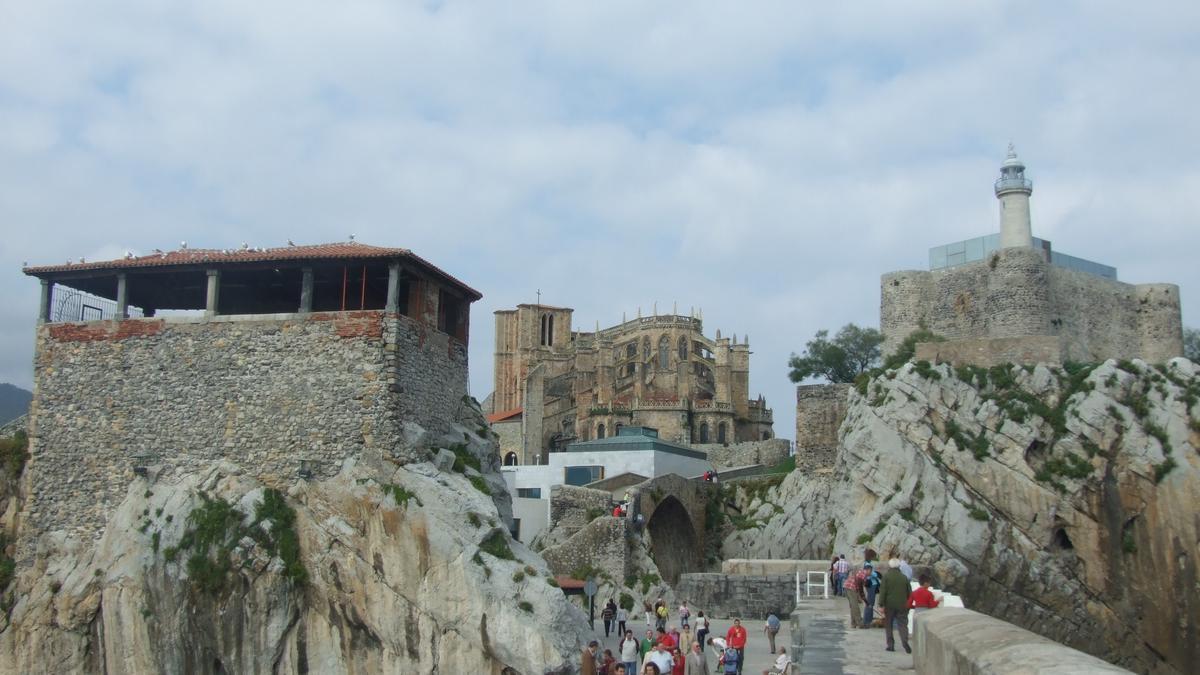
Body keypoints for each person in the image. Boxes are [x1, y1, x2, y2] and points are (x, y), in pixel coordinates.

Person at [878, 558, 912, 654]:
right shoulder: (904, 577)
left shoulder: (886, 577)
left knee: (889, 625)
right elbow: (909, 592)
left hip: (889, 605)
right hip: (902, 605)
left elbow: (883, 592)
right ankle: (905, 641)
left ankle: (890, 645)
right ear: (898, 566)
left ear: (890, 566)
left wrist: (881, 604)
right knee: (902, 624)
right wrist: (908, 604)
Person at [843, 562, 864, 628]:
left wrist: (859, 596)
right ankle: (860, 623)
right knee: (855, 606)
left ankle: (853, 623)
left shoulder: (862, 573)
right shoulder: (863, 574)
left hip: (849, 587)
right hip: (850, 587)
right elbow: (860, 585)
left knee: (853, 606)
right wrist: (862, 596)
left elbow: (859, 586)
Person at [862, 559, 881, 628]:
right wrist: (875, 574)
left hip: (870, 586)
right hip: (871, 586)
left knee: (870, 603)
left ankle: (868, 619)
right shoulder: (868, 565)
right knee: (870, 603)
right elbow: (869, 573)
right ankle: (867, 620)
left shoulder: (865, 564)